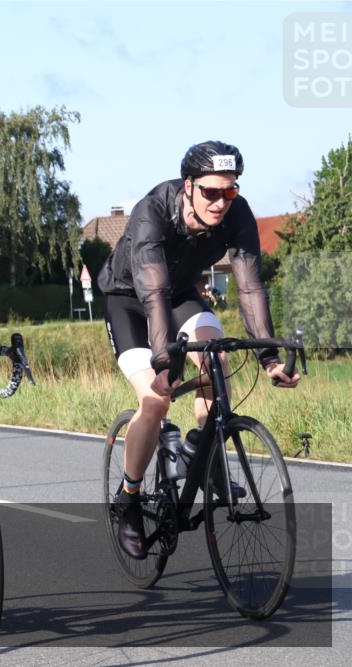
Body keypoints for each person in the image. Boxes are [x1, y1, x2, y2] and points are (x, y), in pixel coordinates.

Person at [98, 140, 300, 560]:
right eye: (211, 192)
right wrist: (162, 362)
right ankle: (129, 498)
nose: (222, 202)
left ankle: (200, 452)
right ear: (188, 186)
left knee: (217, 359)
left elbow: (248, 286)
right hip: (130, 301)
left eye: (231, 191)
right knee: (155, 400)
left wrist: (269, 357)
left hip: (180, 295)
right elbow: (151, 294)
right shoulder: (152, 212)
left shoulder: (237, 214)